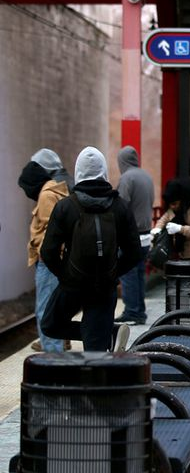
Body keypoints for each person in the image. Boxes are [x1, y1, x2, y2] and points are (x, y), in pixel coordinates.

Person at [40, 147, 140, 352]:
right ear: (103, 171)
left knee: (50, 325)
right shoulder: (119, 206)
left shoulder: (66, 206)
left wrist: (65, 275)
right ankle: (105, 333)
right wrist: (114, 273)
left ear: (78, 172)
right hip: (104, 286)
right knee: (96, 348)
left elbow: (48, 252)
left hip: (73, 285)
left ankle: (104, 333)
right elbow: (134, 252)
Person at [17, 149, 71, 352]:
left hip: (48, 262)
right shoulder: (56, 188)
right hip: (52, 260)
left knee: (44, 310)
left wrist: (43, 252)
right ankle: (55, 348)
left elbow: (50, 230)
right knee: (53, 308)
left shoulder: (47, 194)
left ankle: (51, 357)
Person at [115, 146, 155, 325]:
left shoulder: (127, 178)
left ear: (122, 161)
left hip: (131, 234)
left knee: (128, 274)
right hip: (146, 234)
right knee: (139, 274)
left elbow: (121, 206)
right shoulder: (146, 176)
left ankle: (132, 311)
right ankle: (140, 310)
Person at [153, 178, 190, 261]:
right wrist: (157, 229)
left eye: (174, 204)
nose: (172, 207)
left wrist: (180, 229)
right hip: (184, 254)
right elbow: (164, 218)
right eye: (170, 204)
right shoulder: (176, 209)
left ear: (182, 200)